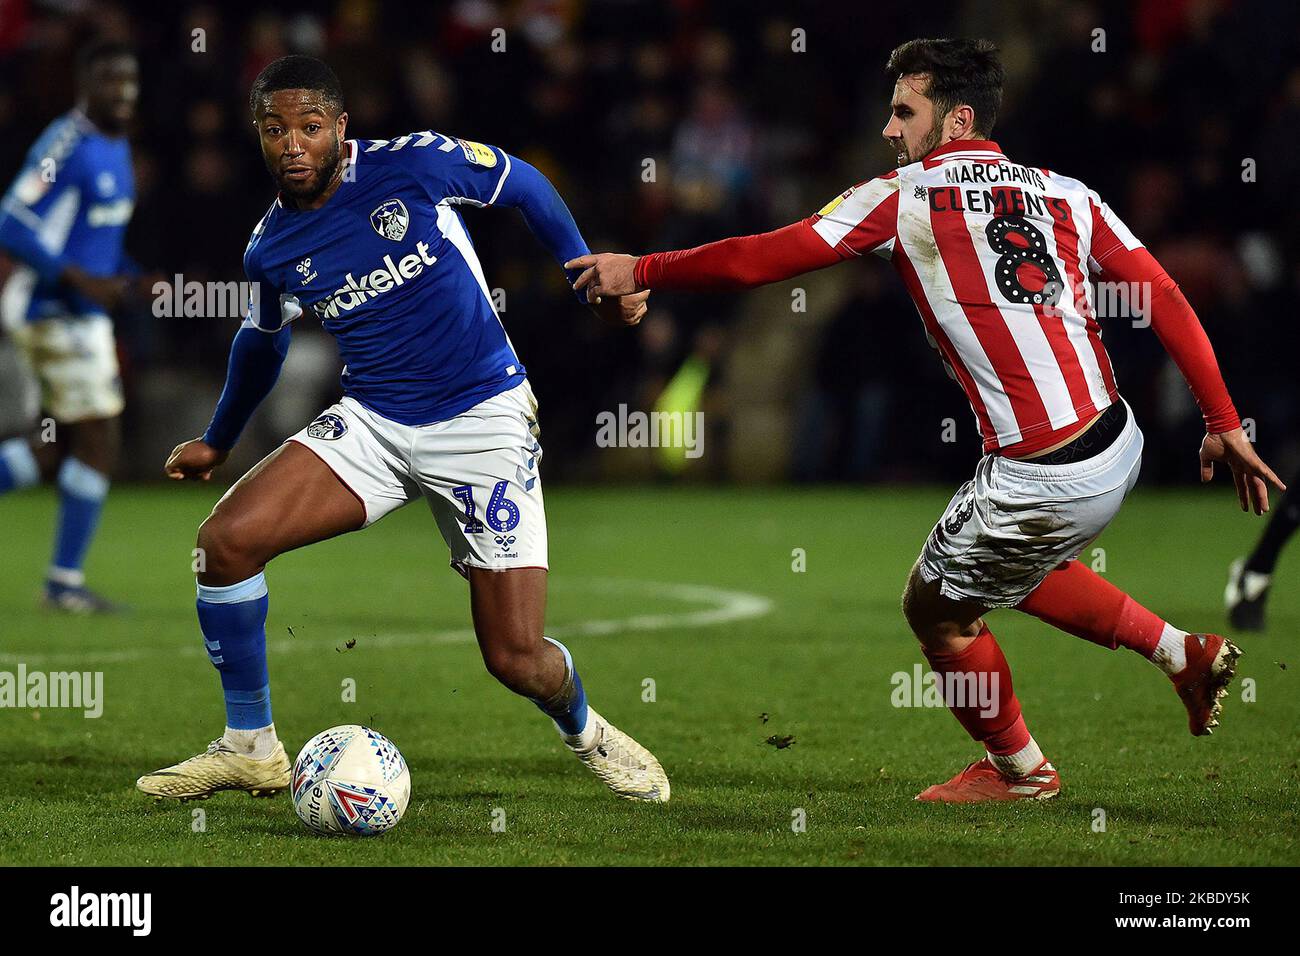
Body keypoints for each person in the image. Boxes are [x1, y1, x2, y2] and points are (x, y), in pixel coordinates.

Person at [565, 38, 1285, 802]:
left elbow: (762, 258)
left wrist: (640, 268)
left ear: (957, 120)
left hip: (1040, 471)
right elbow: (1166, 297)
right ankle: (1185, 654)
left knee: (936, 611)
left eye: (905, 111)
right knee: (1008, 569)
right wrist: (1224, 419)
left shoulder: (907, 193)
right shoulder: (1071, 194)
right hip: (1117, 442)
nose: (889, 129)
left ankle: (1022, 773)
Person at [136, 56, 667, 805]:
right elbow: (264, 340)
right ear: (258, 136)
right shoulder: (270, 248)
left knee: (515, 658)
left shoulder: (412, 164)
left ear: (340, 129)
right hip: (375, 424)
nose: (293, 144)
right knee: (225, 544)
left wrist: (588, 281)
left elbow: (525, 184)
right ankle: (250, 747)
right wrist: (219, 439)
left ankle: (585, 727)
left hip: (482, 419)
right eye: (275, 129)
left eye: (310, 127)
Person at [0, 40, 140, 612]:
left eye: (129, 78)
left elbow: (96, 234)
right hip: (52, 310)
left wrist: (130, 277)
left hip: (80, 313)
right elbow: (11, 220)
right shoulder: (67, 143)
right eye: (110, 78)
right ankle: (64, 585)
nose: (123, 90)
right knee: (99, 435)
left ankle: (63, 582)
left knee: (53, 448)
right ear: (85, 82)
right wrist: (79, 279)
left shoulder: (118, 142)